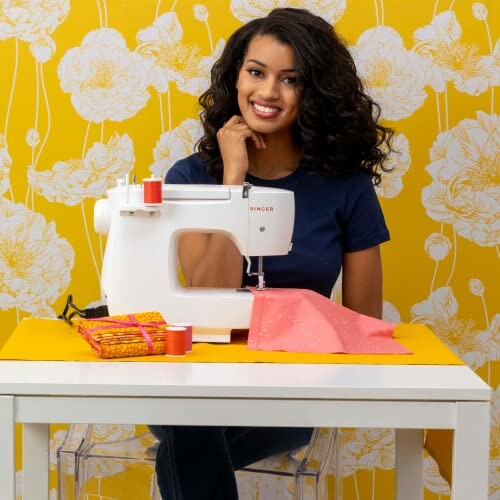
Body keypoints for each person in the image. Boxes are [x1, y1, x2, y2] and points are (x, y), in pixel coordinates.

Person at [151, 7, 393, 499]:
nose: (267, 92)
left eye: (290, 79)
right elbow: (208, 292)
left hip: (294, 385)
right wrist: (234, 182)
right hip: (199, 377)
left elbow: (365, 319)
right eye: (256, 72)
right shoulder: (192, 178)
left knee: (183, 438)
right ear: (235, 77)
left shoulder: (345, 186)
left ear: (315, 91)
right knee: (187, 421)